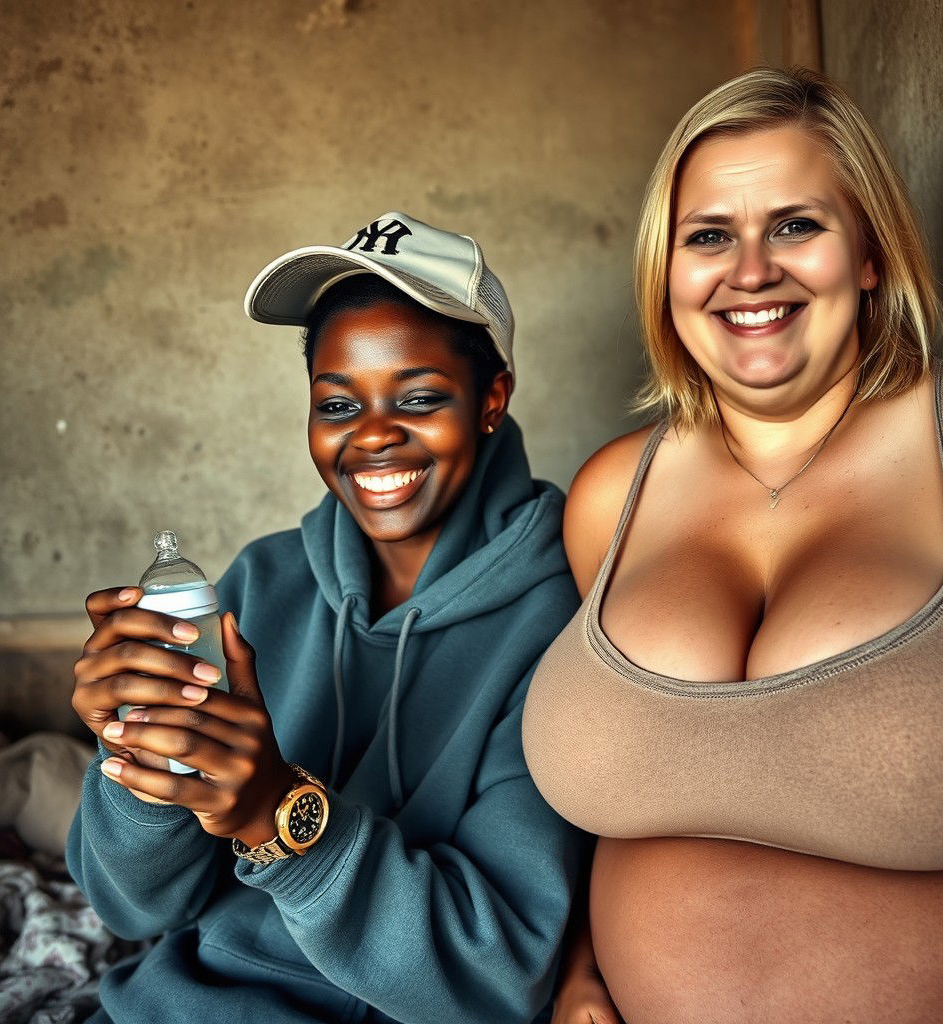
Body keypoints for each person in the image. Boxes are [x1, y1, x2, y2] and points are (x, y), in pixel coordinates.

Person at [522, 69, 943, 1023]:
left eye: (795, 225)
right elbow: (625, 808)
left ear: (870, 253)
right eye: (709, 236)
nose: (750, 272)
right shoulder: (611, 497)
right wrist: (579, 966)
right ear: (666, 271)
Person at [67, 212, 584, 1024]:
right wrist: (138, 763)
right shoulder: (263, 580)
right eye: (338, 405)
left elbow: (494, 980)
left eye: (420, 398)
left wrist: (279, 815)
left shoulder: (564, 623)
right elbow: (133, 911)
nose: (373, 435)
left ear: (492, 400)